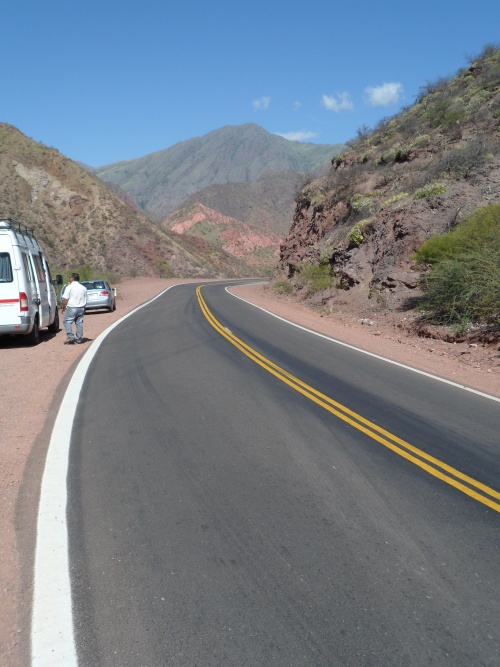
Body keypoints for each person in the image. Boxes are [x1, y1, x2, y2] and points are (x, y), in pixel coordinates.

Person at [61, 272, 87, 344]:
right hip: (81, 307)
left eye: (70, 277)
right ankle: (79, 339)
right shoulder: (83, 288)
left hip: (72, 307)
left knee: (67, 321)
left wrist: (63, 307)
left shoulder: (69, 287)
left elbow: (65, 299)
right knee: (79, 323)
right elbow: (85, 298)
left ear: (72, 279)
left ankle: (70, 336)